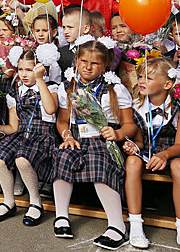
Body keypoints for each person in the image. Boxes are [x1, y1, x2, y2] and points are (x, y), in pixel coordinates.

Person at [53, 39, 137, 249]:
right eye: (83, 61)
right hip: (76, 137)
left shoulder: (114, 89)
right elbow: (62, 120)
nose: (88, 67)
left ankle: (117, 226)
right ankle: (61, 216)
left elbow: (130, 126)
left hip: (103, 139)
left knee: (98, 162)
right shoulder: (68, 86)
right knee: (63, 156)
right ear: (76, 61)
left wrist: (117, 134)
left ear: (105, 65)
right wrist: (67, 137)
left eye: (95, 64)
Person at [0, 51, 58, 226]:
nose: (24, 74)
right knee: (1, 158)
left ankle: (35, 202)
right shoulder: (15, 93)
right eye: (20, 69)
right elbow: (13, 127)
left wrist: (40, 80)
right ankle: (9, 202)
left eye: (29, 69)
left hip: (42, 134)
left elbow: (50, 110)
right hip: (22, 133)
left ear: (40, 69)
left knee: (22, 160)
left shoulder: (51, 87)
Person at [124, 57, 180, 248]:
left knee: (179, 167)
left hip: (172, 152)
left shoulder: (177, 108)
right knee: (132, 162)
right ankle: (136, 225)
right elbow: (139, 140)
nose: (141, 81)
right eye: (140, 76)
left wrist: (165, 155)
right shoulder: (137, 106)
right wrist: (134, 147)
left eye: (148, 78)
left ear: (167, 84)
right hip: (147, 151)